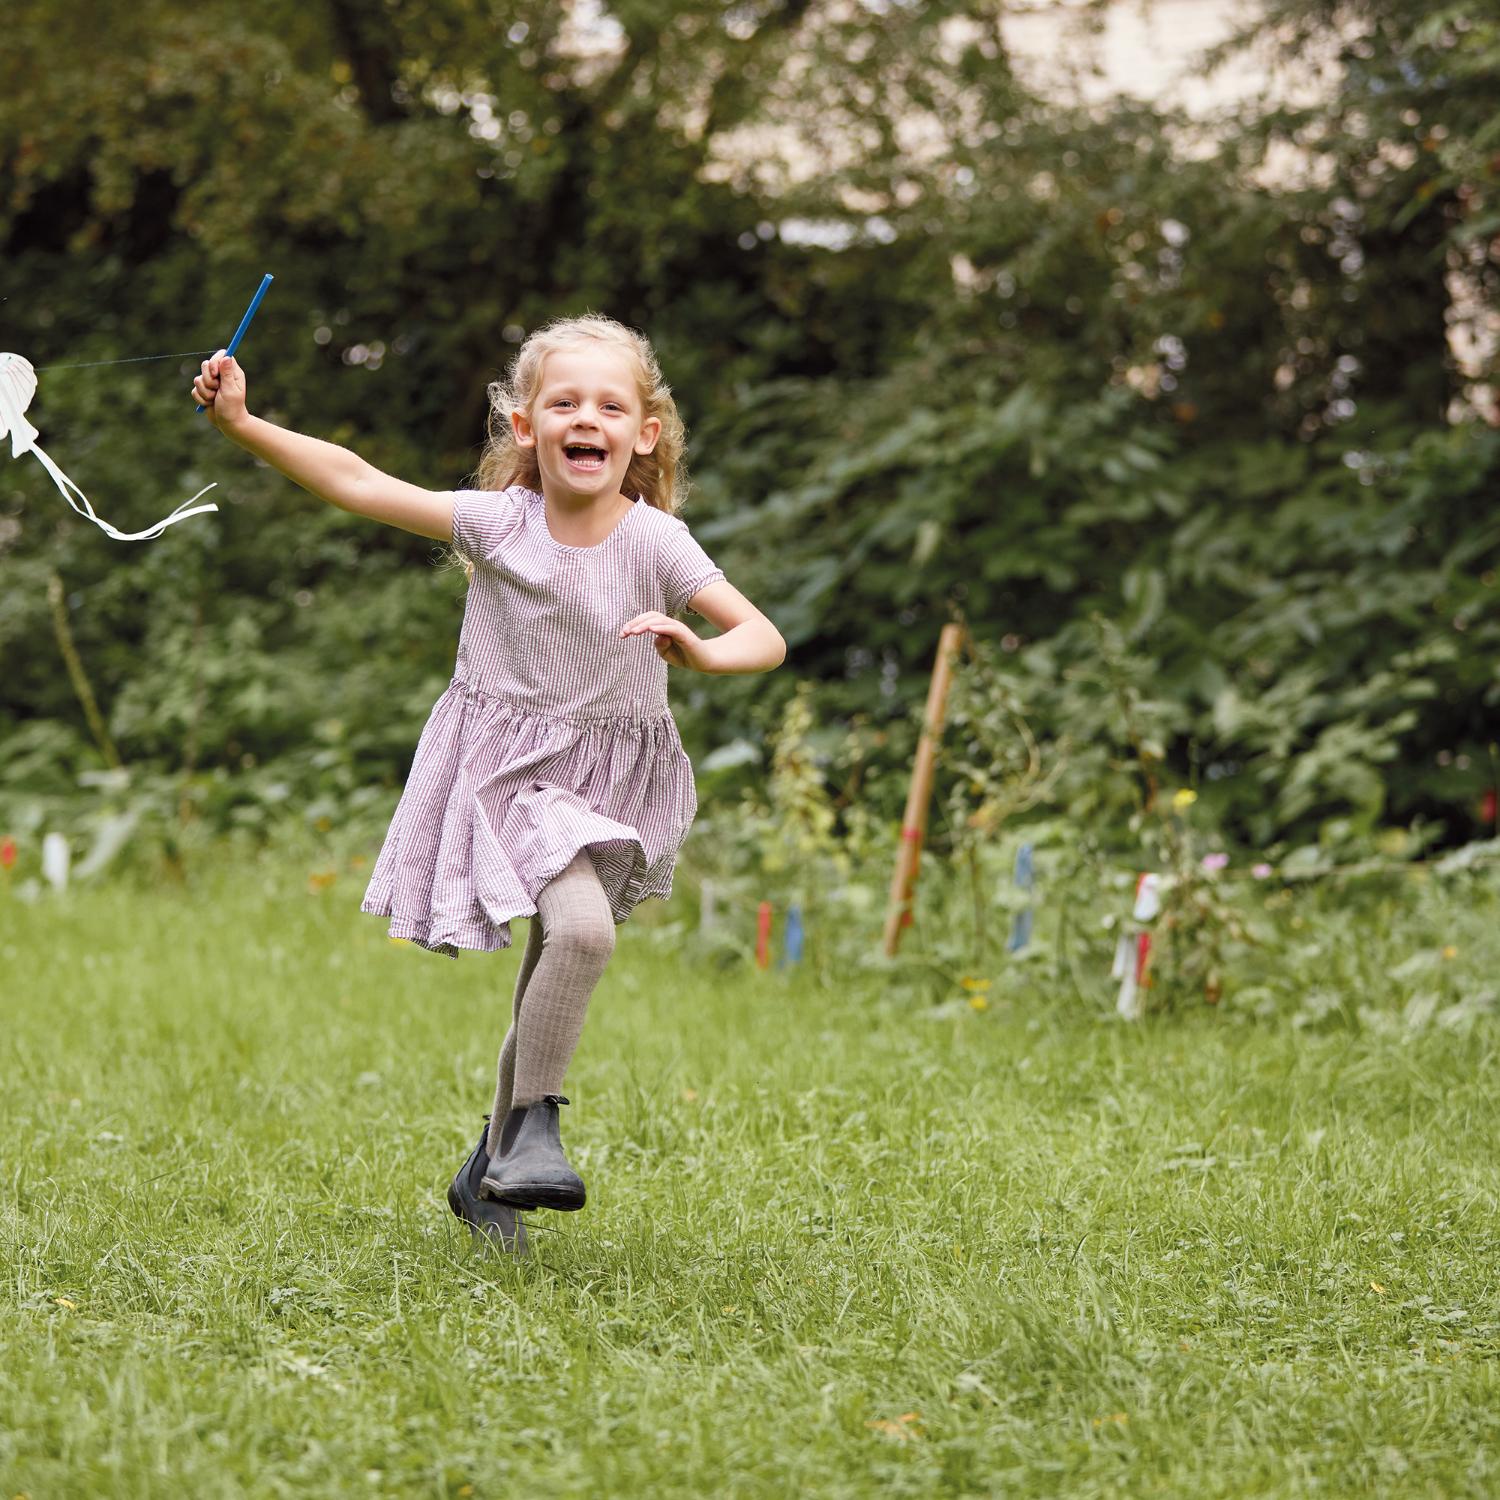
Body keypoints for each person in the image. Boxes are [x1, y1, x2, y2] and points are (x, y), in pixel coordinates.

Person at [191, 313, 786, 1254]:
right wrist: (244, 426)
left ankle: (486, 1175)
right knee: (584, 934)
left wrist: (704, 653)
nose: (585, 418)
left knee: (553, 963)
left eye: (609, 405)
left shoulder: (658, 542)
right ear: (525, 429)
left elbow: (764, 635)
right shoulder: (502, 523)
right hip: (508, 774)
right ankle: (532, 1128)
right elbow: (357, 480)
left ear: (643, 434)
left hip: (609, 778)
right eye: (564, 402)